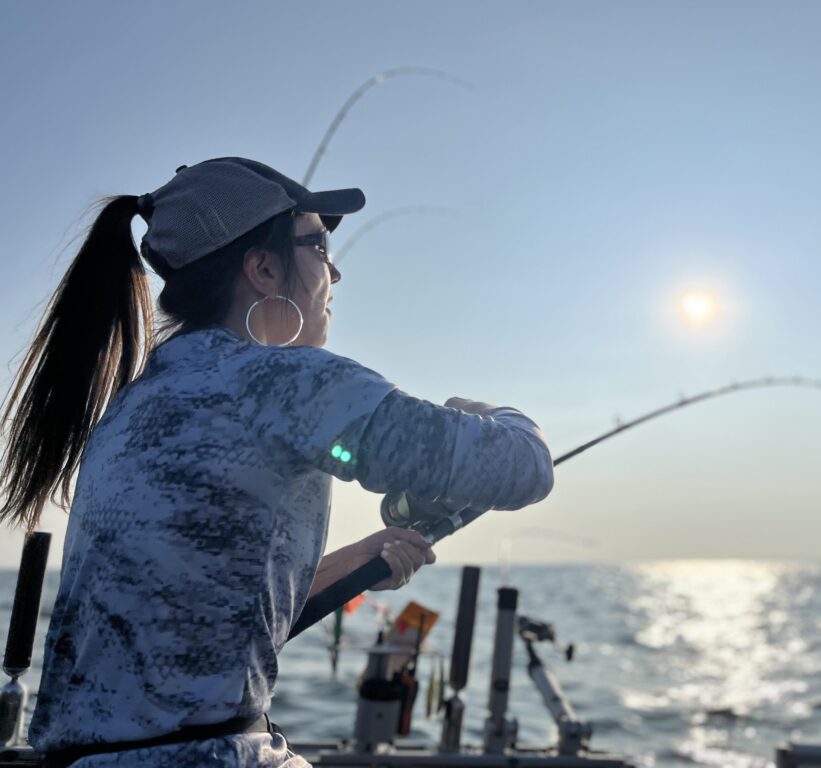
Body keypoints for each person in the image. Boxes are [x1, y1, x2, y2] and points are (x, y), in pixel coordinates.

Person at [0, 157, 554, 767]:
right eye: (318, 244)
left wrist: (357, 560)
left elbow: (193, 631)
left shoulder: (131, 406)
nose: (335, 271)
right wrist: (493, 415)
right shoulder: (280, 381)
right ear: (263, 268)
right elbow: (524, 467)